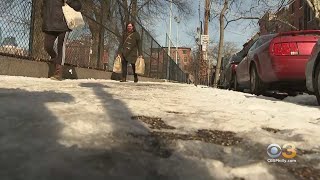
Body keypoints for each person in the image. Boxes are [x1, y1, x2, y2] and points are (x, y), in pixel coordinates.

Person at [42, 0, 82, 81]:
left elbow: (78, 6)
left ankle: (58, 72)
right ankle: (55, 58)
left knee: (61, 45)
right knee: (47, 46)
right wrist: (43, 15)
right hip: (50, 24)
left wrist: (69, 1)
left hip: (64, 24)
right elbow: (43, 7)